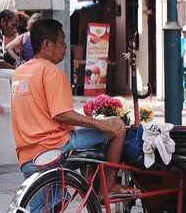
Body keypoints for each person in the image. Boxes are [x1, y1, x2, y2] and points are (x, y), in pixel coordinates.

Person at [11, 18, 139, 195]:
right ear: (47, 44)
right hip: (55, 146)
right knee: (117, 126)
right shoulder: (52, 71)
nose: (65, 47)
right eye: (62, 41)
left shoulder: (19, 73)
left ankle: (93, 182)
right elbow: (61, 114)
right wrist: (99, 123)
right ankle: (108, 185)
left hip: (27, 155)